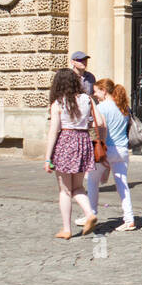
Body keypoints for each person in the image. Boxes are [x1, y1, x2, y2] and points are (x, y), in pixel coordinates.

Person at [43, 67, 104, 239]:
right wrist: (83, 124)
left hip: (66, 142)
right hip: (83, 140)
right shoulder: (87, 99)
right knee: (78, 187)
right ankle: (90, 213)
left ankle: (66, 229)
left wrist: (48, 158)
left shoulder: (58, 103)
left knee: (64, 190)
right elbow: (99, 121)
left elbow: (53, 131)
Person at [85, 79, 136, 231]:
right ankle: (129, 218)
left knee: (92, 182)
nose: (95, 94)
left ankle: (91, 214)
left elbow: (100, 129)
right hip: (122, 149)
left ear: (104, 90)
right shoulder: (123, 107)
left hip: (107, 149)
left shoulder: (102, 107)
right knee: (122, 185)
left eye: (96, 91)